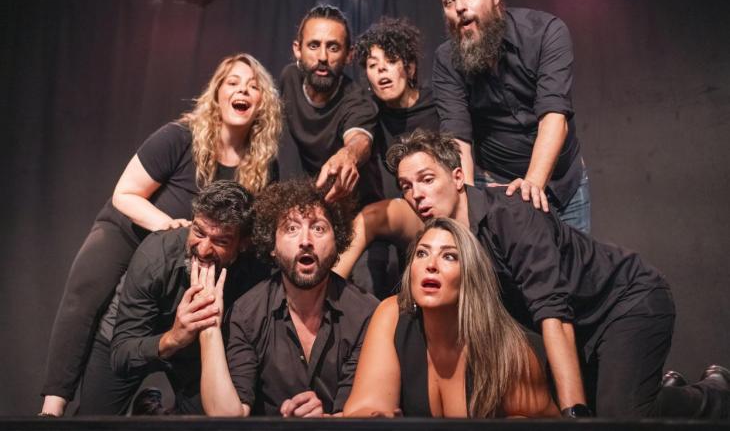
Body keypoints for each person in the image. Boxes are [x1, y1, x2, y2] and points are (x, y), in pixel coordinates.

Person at [339, 129, 694, 418]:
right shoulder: (448, 238)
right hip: (576, 326)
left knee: (617, 417)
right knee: (612, 405)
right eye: (406, 186)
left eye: (427, 179)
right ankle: (664, 393)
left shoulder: (511, 216)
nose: (417, 194)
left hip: (624, 301)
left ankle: (711, 398)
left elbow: (554, 315)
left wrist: (574, 416)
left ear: (458, 177)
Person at [40, 53, 281, 416]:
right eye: (233, 82)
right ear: (217, 93)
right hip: (134, 229)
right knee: (83, 297)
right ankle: (51, 408)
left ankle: (156, 409)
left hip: (189, 255)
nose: (242, 90)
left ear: (263, 102)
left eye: (253, 86)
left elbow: (253, 232)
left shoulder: (263, 163)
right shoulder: (179, 137)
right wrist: (169, 226)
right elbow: (125, 194)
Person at [344, 217, 559, 418]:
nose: (431, 265)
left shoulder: (511, 352)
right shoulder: (392, 315)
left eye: (449, 256)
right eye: (422, 253)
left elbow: (542, 425)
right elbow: (366, 408)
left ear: (470, 276)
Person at [433, 0, 590, 233]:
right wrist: (467, 207)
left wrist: (531, 187)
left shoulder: (545, 32)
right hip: (497, 183)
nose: (459, 7)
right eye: (448, 1)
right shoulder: (446, 60)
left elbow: (554, 117)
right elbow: (458, 139)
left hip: (563, 182)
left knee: (573, 261)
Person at [198, 179, 379, 417]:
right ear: (272, 245)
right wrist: (209, 329)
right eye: (291, 229)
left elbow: (362, 414)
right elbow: (226, 416)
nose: (305, 241)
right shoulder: (246, 314)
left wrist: (324, 422)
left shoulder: (366, 314)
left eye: (318, 228)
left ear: (337, 242)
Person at [97, 180, 268, 414]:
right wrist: (174, 338)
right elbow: (121, 355)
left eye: (221, 241)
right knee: (93, 421)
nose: (203, 250)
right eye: (198, 232)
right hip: (137, 337)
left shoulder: (256, 272)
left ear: (242, 244)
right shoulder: (155, 256)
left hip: (199, 356)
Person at [277, 4, 379, 205]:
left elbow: (360, 140)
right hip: (308, 201)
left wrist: (348, 155)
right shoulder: (289, 78)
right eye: (314, 46)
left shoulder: (358, 100)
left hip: (355, 206)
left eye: (333, 48)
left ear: (349, 54)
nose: (323, 57)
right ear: (297, 49)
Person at [354, 17, 440, 199]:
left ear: (410, 69)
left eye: (391, 60)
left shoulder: (438, 104)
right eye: (372, 65)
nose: (381, 69)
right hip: (402, 203)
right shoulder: (370, 113)